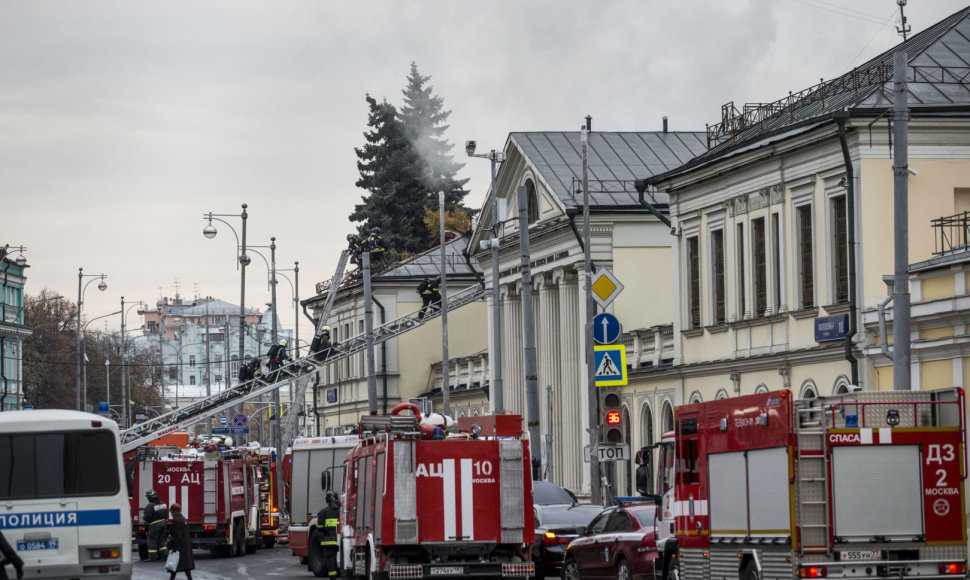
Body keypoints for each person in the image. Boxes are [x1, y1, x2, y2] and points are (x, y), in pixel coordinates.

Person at [312, 490, 341, 578]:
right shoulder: (342, 511)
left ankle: (333, 577)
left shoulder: (323, 512)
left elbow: (319, 527)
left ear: (327, 500)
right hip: (342, 540)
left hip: (329, 541)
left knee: (330, 560)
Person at [166, 502, 195, 579]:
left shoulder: (176, 521)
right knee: (184, 566)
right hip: (185, 545)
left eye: (171, 512)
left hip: (179, 546)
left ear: (174, 511)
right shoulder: (183, 519)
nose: (171, 514)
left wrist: (174, 547)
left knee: (174, 564)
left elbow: (176, 535)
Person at [143, 489, 169, 562]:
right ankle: (165, 555)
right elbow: (166, 515)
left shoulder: (150, 506)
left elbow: (147, 517)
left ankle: (153, 557)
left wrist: (145, 522)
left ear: (149, 497)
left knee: (152, 541)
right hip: (163, 524)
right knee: (162, 540)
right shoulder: (163, 503)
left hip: (154, 525)